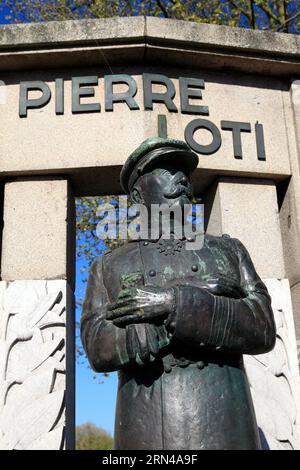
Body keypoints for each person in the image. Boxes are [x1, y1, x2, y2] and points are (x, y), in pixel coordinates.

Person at [80, 137, 276, 450]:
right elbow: (97, 346)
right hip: (146, 427)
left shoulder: (229, 250)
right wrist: (203, 305)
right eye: (167, 171)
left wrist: (173, 302)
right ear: (138, 193)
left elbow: (263, 327)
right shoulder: (109, 265)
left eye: (184, 173)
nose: (182, 180)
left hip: (226, 423)